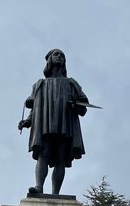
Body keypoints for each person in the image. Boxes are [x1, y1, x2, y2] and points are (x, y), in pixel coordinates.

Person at [18, 49, 89, 195]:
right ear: (49, 59)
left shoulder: (71, 83)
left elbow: (83, 105)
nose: (60, 57)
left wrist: (76, 104)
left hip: (64, 122)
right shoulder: (39, 84)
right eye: (56, 54)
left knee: (61, 157)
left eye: (62, 56)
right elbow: (36, 107)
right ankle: (39, 187)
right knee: (43, 154)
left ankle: (55, 193)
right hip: (44, 123)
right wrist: (27, 121)